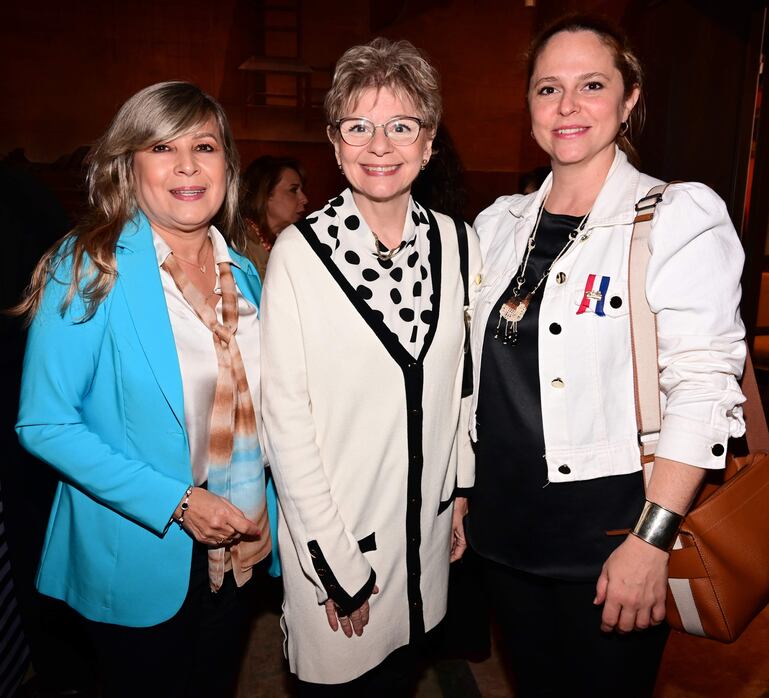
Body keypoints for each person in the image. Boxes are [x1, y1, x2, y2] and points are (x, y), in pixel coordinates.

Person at [467, 14, 746, 698]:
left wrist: (652, 540)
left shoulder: (674, 216)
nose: (566, 107)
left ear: (628, 99)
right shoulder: (495, 226)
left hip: (611, 540)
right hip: (503, 537)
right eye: (547, 89)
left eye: (591, 85)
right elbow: (475, 386)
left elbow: (705, 389)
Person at [14, 81, 278, 698]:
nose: (187, 164)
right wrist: (178, 501)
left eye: (205, 146)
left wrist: (268, 502)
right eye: (162, 147)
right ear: (128, 166)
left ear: (226, 166)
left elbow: (263, 410)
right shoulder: (87, 267)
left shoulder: (245, 273)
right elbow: (44, 424)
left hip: (237, 538)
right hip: (137, 544)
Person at [260, 37, 480, 694]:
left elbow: (462, 384)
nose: (379, 145)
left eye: (401, 126)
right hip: (341, 546)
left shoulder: (458, 243)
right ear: (335, 142)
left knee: (404, 673)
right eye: (359, 125)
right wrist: (336, 566)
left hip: (428, 537)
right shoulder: (299, 254)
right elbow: (285, 425)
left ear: (429, 141)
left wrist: (459, 493)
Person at [240, 155, 308, 278]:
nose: (304, 199)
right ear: (266, 194)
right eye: (293, 190)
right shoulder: (240, 245)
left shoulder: (289, 243)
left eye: (301, 191)